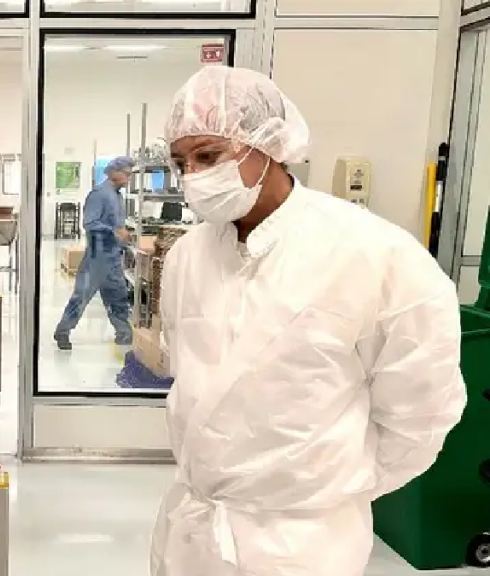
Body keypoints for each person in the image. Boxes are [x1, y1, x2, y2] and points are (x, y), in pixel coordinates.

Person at [150, 65, 467, 576]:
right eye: (181, 162)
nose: (192, 177)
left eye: (208, 156)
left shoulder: (373, 253)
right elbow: (190, 380)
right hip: (195, 529)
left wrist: (326, 492)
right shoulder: (188, 256)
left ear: (269, 145)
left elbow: (421, 414)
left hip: (302, 545)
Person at [54, 156, 135, 350]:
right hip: (97, 257)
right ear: (114, 172)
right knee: (81, 296)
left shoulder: (117, 196)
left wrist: (124, 243)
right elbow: (89, 223)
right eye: (126, 174)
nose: (129, 178)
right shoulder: (99, 194)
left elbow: (118, 225)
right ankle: (63, 331)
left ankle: (124, 333)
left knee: (118, 296)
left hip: (113, 256)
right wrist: (114, 232)